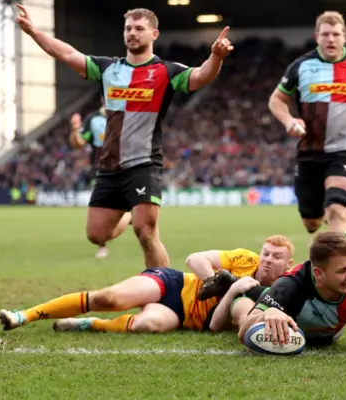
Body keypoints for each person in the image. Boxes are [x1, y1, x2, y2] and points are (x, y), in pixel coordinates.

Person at [15, 4, 233, 268]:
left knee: (147, 233)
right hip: (109, 167)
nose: (132, 33)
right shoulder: (107, 69)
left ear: (154, 34)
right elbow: (67, 53)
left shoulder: (166, 71)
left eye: (139, 28)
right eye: (128, 28)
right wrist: (34, 32)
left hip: (143, 164)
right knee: (96, 235)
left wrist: (216, 58)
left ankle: (164, 291)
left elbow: (200, 76)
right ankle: (129, 214)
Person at [0, 236, 295, 334]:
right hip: (174, 284)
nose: (267, 259)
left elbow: (218, 327)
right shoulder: (245, 259)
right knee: (110, 298)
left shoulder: (280, 291)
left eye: (276, 257)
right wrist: (212, 281)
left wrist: (232, 291)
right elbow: (194, 258)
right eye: (266, 253)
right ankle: (24, 315)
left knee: (145, 326)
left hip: (182, 317)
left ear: (288, 263)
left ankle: (89, 324)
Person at [267, 11, 346, 235]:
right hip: (309, 152)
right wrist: (289, 120)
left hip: (344, 151)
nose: (331, 39)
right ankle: (322, 217)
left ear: (344, 37)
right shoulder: (300, 67)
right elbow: (276, 100)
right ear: (317, 36)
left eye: (336, 34)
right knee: (312, 223)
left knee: (338, 211)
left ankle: (337, 266)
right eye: (326, 34)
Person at [237, 231, 346, 350]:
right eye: (342, 271)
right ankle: (233, 286)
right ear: (318, 274)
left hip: (328, 333)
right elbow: (243, 333)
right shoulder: (289, 286)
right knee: (243, 300)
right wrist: (267, 313)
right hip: (278, 298)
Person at [69, 106, 131, 259]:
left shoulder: (128, 112)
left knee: (143, 219)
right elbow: (78, 143)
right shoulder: (93, 119)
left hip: (129, 167)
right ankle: (102, 245)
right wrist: (75, 130)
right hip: (102, 171)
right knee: (101, 213)